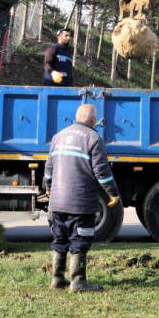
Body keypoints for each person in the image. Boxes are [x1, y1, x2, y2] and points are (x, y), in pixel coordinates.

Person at [42, 103, 120, 292]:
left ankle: (57, 279)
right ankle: (78, 282)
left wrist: (49, 188)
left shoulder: (58, 136)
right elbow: (102, 172)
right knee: (80, 240)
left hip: (57, 203)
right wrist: (113, 193)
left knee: (60, 239)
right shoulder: (94, 138)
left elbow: (49, 168)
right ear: (93, 120)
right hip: (81, 202)